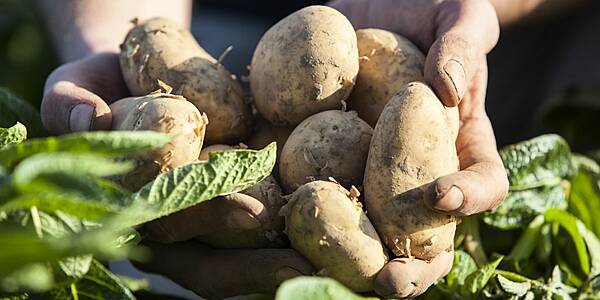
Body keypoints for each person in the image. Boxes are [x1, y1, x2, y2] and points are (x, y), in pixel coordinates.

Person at [36, 0, 582, 298]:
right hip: (224, 27)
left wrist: (468, 7)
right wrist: (107, 38)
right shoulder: (238, 115)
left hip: (543, 42)